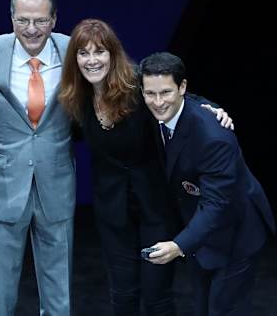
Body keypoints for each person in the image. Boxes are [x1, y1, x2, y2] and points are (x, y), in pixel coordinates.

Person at [58, 19, 233, 315]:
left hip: (156, 209)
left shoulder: (137, 86)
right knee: (123, 295)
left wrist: (214, 110)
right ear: (74, 59)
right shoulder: (77, 98)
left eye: (99, 52)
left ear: (112, 54)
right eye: (83, 53)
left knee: (157, 297)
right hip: (113, 214)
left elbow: (179, 100)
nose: (92, 60)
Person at [139, 51, 275, 316]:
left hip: (237, 231)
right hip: (201, 234)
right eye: (150, 94)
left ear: (183, 87)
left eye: (166, 93)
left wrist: (179, 245)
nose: (157, 102)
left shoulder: (213, 136)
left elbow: (217, 203)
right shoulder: (158, 110)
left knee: (224, 309)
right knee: (202, 307)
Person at [0, 0, 74, 315]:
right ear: (11, 17)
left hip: (56, 184)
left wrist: (199, 105)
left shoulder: (74, 51)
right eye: (22, 20)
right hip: (0, 186)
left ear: (54, 19)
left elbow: (124, 83)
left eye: (40, 20)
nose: (31, 29)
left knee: (60, 295)